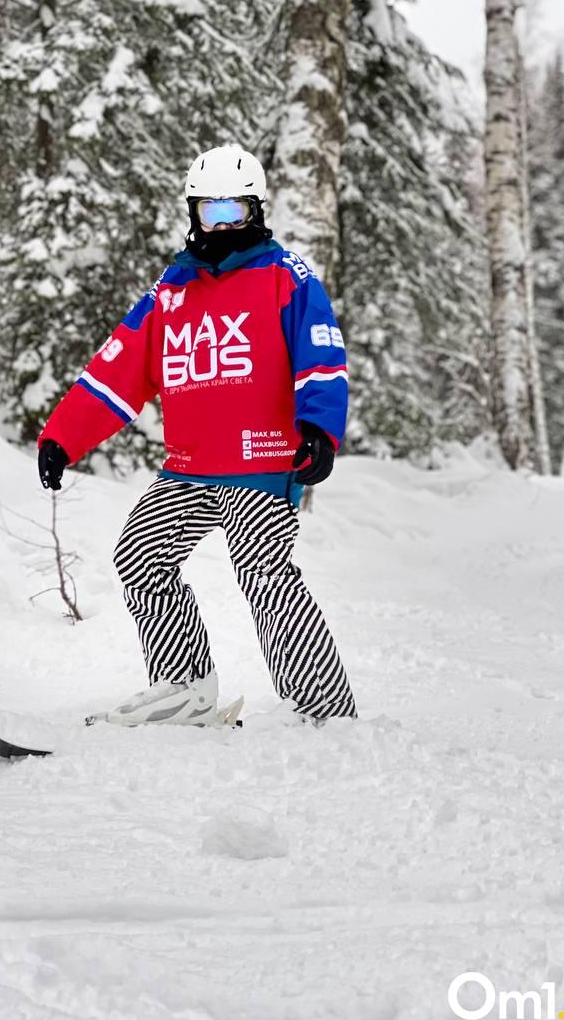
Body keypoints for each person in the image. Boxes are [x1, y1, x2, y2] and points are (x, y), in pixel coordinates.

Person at [37, 144, 356, 726]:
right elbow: (119, 368)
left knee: (263, 573)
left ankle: (325, 709)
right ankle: (185, 690)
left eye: (235, 209)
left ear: (256, 210)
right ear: (193, 214)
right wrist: (64, 436)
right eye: (211, 212)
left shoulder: (287, 277)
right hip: (189, 465)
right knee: (141, 559)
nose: (224, 224)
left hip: (262, 461)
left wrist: (319, 428)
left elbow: (321, 356)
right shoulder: (172, 290)